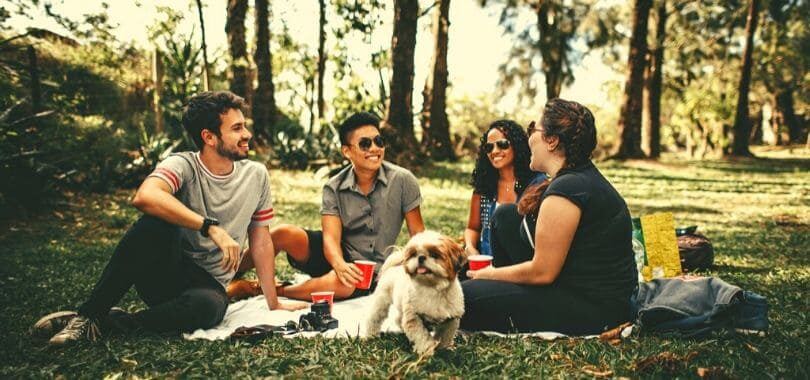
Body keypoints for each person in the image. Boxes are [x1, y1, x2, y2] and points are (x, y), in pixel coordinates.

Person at [34, 91, 306, 346]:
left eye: (244, 125)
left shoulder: (256, 175)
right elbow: (146, 196)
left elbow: (261, 241)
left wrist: (274, 302)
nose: (247, 134)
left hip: (207, 288)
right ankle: (89, 315)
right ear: (209, 137)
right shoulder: (182, 164)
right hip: (165, 272)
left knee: (211, 307)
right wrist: (210, 227)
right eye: (236, 128)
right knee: (154, 222)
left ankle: (107, 323)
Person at [461, 98, 638, 335]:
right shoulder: (575, 178)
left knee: (458, 299)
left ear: (552, 141)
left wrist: (490, 275)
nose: (528, 137)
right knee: (505, 215)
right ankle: (497, 291)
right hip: (572, 285)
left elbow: (543, 272)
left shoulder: (568, 190)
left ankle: (493, 292)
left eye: (533, 128)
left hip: (593, 308)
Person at [254, 111, 425, 300]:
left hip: (369, 270)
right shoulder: (333, 187)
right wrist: (339, 264)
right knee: (283, 233)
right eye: (365, 144)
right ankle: (228, 273)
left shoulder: (403, 180)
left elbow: (418, 235)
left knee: (346, 282)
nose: (375, 148)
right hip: (335, 255)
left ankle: (271, 291)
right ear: (347, 151)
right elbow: (330, 240)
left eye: (379, 141)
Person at [464, 120, 545, 260]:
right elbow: (473, 228)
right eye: (489, 147)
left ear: (517, 146)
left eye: (502, 144)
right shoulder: (484, 186)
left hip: (521, 266)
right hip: (486, 264)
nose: (494, 151)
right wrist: (470, 248)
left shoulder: (537, 184)